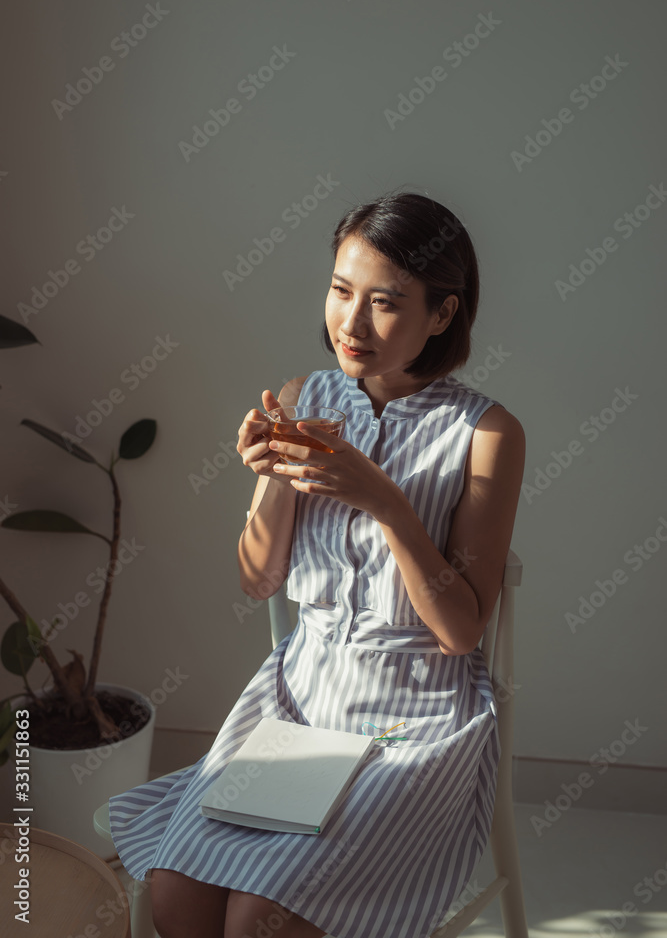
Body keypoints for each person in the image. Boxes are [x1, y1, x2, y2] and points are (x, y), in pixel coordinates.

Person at [109, 189, 525, 938]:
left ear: (442, 313)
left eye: (386, 303)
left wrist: (387, 503)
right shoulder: (306, 396)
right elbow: (258, 578)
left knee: (258, 919)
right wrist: (270, 470)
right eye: (340, 291)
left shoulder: (486, 431)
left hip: (416, 720)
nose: (351, 323)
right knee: (174, 894)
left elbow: (461, 632)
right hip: (299, 700)